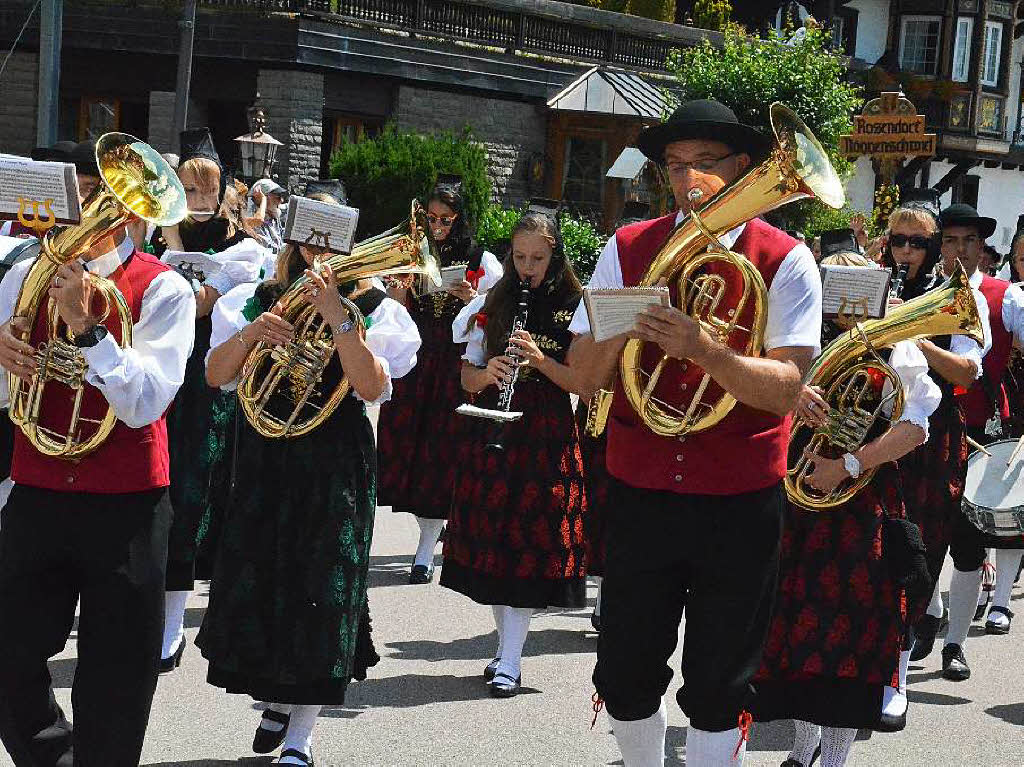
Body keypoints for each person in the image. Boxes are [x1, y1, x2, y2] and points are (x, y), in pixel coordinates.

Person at [568, 98, 823, 765]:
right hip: (641, 487)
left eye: (705, 164)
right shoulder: (627, 248)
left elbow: (790, 388)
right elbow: (583, 374)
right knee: (623, 669)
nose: (688, 181)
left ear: (741, 169)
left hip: (739, 498)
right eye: (675, 166)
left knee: (719, 677)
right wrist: (621, 316)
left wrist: (707, 352)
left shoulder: (786, 259)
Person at [197, 193, 421, 766]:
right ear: (293, 234)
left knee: (321, 587)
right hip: (266, 459)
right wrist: (253, 336)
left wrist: (339, 317)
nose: (317, 247)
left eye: (330, 234)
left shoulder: (373, 305)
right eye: (308, 233)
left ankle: (301, 733)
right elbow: (214, 374)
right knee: (267, 577)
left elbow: (372, 388)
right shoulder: (257, 298)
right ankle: (277, 698)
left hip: (334, 461)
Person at [0, 160, 196, 766]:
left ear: (136, 211)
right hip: (37, 488)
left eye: (102, 199)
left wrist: (90, 329)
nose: (86, 215)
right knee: (6, 651)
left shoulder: (165, 288)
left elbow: (145, 403)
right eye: (80, 198)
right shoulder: (20, 278)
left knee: (117, 675)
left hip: (128, 504)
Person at [753, 252, 940, 767]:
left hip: (860, 505)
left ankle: (833, 759)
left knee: (847, 642)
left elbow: (916, 425)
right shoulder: (798, 330)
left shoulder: (891, 344)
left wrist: (850, 465)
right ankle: (801, 748)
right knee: (799, 633)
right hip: (800, 500)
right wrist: (793, 399)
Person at [441, 211, 588, 698]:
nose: (528, 268)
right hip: (496, 428)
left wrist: (541, 361)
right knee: (495, 544)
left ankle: (510, 660)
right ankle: (505, 648)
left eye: (539, 258)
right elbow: (466, 374)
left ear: (556, 255)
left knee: (527, 547)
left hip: (545, 431)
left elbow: (582, 384)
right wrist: (487, 375)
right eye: (520, 257)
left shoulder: (576, 305)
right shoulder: (496, 300)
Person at [150, 128, 266, 673]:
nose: (197, 202)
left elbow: (200, 310)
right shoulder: (154, 236)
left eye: (206, 191)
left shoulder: (240, 249)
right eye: (187, 190)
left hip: (202, 381)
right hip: (156, 375)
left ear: (222, 194)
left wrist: (176, 250)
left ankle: (173, 623)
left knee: (189, 493)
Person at [882, 201, 991, 679]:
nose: (905, 252)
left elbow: (967, 370)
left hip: (932, 436)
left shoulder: (962, 295)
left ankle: (900, 672)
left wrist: (911, 331)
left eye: (918, 243)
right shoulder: (873, 280)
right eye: (897, 241)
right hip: (869, 424)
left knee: (918, 545)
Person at [377, 175, 503, 583]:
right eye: (431, 218)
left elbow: (495, 317)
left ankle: (424, 551)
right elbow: (394, 312)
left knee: (441, 450)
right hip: (417, 357)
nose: (436, 227)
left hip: (453, 359)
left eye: (445, 220)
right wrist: (398, 290)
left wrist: (472, 301)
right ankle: (429, 531)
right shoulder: (411, 252)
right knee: (406, 447)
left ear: (459, 219)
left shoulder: (481, 260)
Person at [935, 204, 1024, 676]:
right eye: (951, 241)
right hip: (926, 431)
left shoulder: (1005, 296)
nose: (961, 250)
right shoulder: (922, 293)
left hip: (980, 432)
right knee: (923, 537)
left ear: (983, 249)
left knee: (971, 542)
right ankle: (929, 613)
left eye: (969, 241)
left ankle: (954, 644)